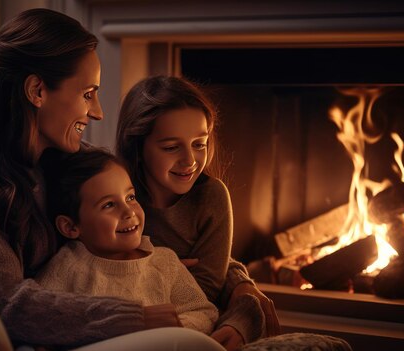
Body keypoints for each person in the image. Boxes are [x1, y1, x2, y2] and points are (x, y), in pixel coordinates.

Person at [0, 8, 226, 351]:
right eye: (88, 93)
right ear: (37, 90)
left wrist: (239, 285)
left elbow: (138, 224)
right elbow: (6, 304)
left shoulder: (57, 154)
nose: (98, 111)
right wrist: (135, 318)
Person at [115, 76, 281, 351]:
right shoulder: (114, 195)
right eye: (171, 147)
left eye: (199, 144)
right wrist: (170, 265)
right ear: (138, 147)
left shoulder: (212, 197)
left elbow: (205, 290)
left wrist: (143, 264)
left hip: (193, 323)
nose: (190, 160)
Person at [36, 148, 218, 335]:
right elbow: (40, 317)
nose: (129, 212)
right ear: (70, 227)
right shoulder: (67, 265)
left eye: (130, 197)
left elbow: (203, 312)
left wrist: (175, 328)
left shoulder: (166, 263)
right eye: (109, 205)